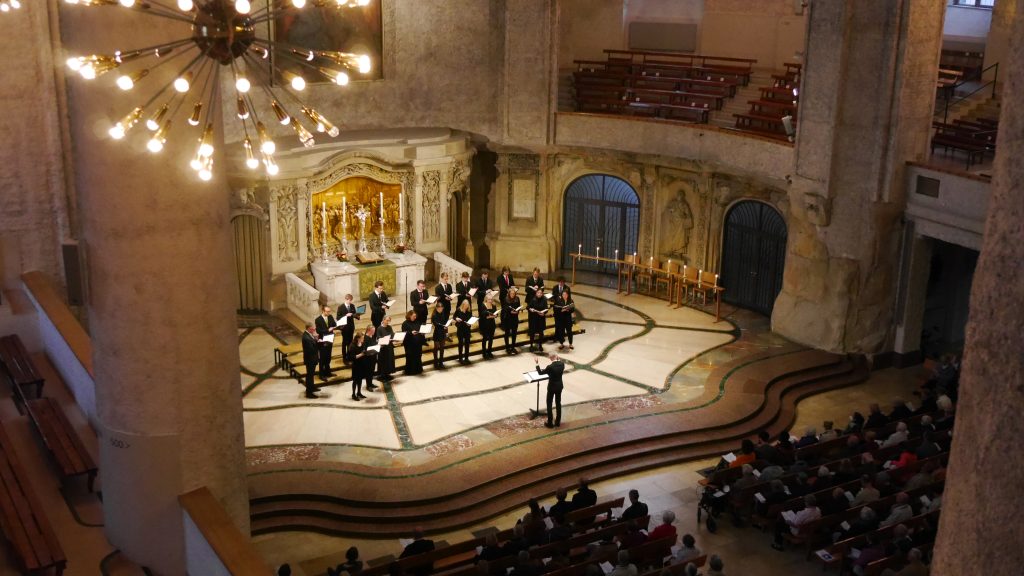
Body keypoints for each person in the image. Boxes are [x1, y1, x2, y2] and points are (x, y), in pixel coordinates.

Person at [535, 353, 564, 428]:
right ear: (557, 357)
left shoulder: (550, 367)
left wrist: (537, 363)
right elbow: (558, 366)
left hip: (551, 387)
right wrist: (558, 358)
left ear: (550, 358)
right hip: (559, 387)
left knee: (549, 403)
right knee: (558, 403)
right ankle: (557, 422)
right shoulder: (562, 364)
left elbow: (540, 373)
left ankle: (550, 423)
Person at [347, 333, 373, 400]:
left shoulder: (362, 344)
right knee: (355, 380)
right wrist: (362, 354)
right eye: (362, 338)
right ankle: (353, 394)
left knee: (360, 379)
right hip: (356, 365)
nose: (363, 339)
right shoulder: (352, 346)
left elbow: (364, 351)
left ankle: (359, 392)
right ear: (358, 338)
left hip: (362, 364)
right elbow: (352, 357)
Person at [314, 305, 337, 379]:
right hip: (323, 340)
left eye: (329, 311)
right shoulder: (318, 319)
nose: (329, 313)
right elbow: (318, 331)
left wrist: (336, 324)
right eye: (327, 311)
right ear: (323, 311)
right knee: (323, 358)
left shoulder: (330, 317)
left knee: (328, 357)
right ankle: (321, 374)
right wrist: (327, 330)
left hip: (330, 339)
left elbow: (334, 324)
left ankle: (328, 372)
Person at [401, 310, 425, 375]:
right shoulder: (405, 323)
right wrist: (410, 333)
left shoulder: (417, 322)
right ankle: (410, 371)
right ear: (409, 316)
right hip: (409, 344)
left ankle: (418, 369)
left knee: (418, 356)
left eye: (415, 316)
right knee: (410, 356)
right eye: (414, 316)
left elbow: (420, 330)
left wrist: (422, 333)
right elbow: (404, 333)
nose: (415, 317)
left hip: (417, 343)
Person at [337, 293, 361, 358]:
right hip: (344, 328)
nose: (350, 302)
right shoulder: (341, 307)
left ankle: (349, 356)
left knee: (350, 342)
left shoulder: (352, 306)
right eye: (349, 300)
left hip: (351, 327)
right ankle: (344, 357)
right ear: (346, 299)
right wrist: (346, 315)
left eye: (351, 300)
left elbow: (354, 314)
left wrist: (358, 315)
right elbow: (338, 317)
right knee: (345, 342)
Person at [301, 323, 320, 398]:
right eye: (313, 329)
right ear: (309, 328)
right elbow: (311, 349)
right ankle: (309, 393)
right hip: (310, 359)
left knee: (311, 375)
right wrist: (318, 342)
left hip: (312, 358)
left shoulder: (309, 335)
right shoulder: (306, 337)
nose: (314, 330)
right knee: (309, 375)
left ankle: (312, 387)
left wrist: (315, 339)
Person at [526, 286, 548, 353]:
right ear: (536, 293)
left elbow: (546, 308)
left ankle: (540, 345)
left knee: (541, 333)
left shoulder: (544, 299)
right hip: (534, 319)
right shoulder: (533, 299)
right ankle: (531, 345)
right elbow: (528, 307)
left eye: (540, 293)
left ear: (542, 294)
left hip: (541, 318)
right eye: (538, 293)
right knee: (532, 333)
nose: (539, 294)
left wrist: (544, 313)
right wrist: (531, 309)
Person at [502, 287, 523, 355]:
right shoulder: (506, 299)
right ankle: (507, 348)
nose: (512, 294)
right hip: (508, 318)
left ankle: (513, 347)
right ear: (509, 293)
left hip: (515, 318)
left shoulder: (517, 298)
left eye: (514, 293)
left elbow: (518, 307)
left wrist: (517, 311)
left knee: (514, 333)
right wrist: (510, 311)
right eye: (511, 293)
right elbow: (504, 309)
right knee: (507, 333)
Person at [376, 315, 396, 382]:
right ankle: (382, 375)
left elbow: (392, 335)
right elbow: (378, 338)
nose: (388, 322)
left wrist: (395, 338)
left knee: (389, 360)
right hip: (383, 348)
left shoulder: (389, 327)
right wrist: (385, 339)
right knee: (383, 362)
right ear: (383, 320)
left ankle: (387, 374)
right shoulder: (379, 328)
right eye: (387, 320)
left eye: (389, 321)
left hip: (389, 346)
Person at [453, 299, 473, 364]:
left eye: (467, 305)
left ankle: (466, 358)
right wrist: (456, 318)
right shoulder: (459, 310)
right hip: (460, 329)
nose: (466, 307)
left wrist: (470, 323)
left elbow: (470, 319)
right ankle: (460, 358)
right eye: (465, 305)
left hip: (467, 329)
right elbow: (454, 316)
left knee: (467, 344)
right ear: (463, 304)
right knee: (460, 344)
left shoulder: (469, 311)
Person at [479, 294, 498, 359]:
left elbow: (496, 313)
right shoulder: (483, 305)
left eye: (491, 299)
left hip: (492, 324)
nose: (490, 300)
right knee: (485, 339)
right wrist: (489, 316)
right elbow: (482, 315)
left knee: (491, 339)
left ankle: (489, 352)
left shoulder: (493, 305)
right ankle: (484, 353)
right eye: (489, 299)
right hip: (485, 324)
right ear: (486, 299)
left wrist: (494, 316)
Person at [430, 300, 448, 368]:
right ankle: (435, 362)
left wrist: (446, 326)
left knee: (442, 348)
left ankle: (441, 362)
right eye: (439, 308)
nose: (441, 309)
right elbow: (436, 324)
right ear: (437, 308)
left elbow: (445, 321)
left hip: (442, 332)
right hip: (437, 333)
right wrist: (443, 325)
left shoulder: (443, 313)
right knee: (436, 348)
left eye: (442, 308)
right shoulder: (434, 315)